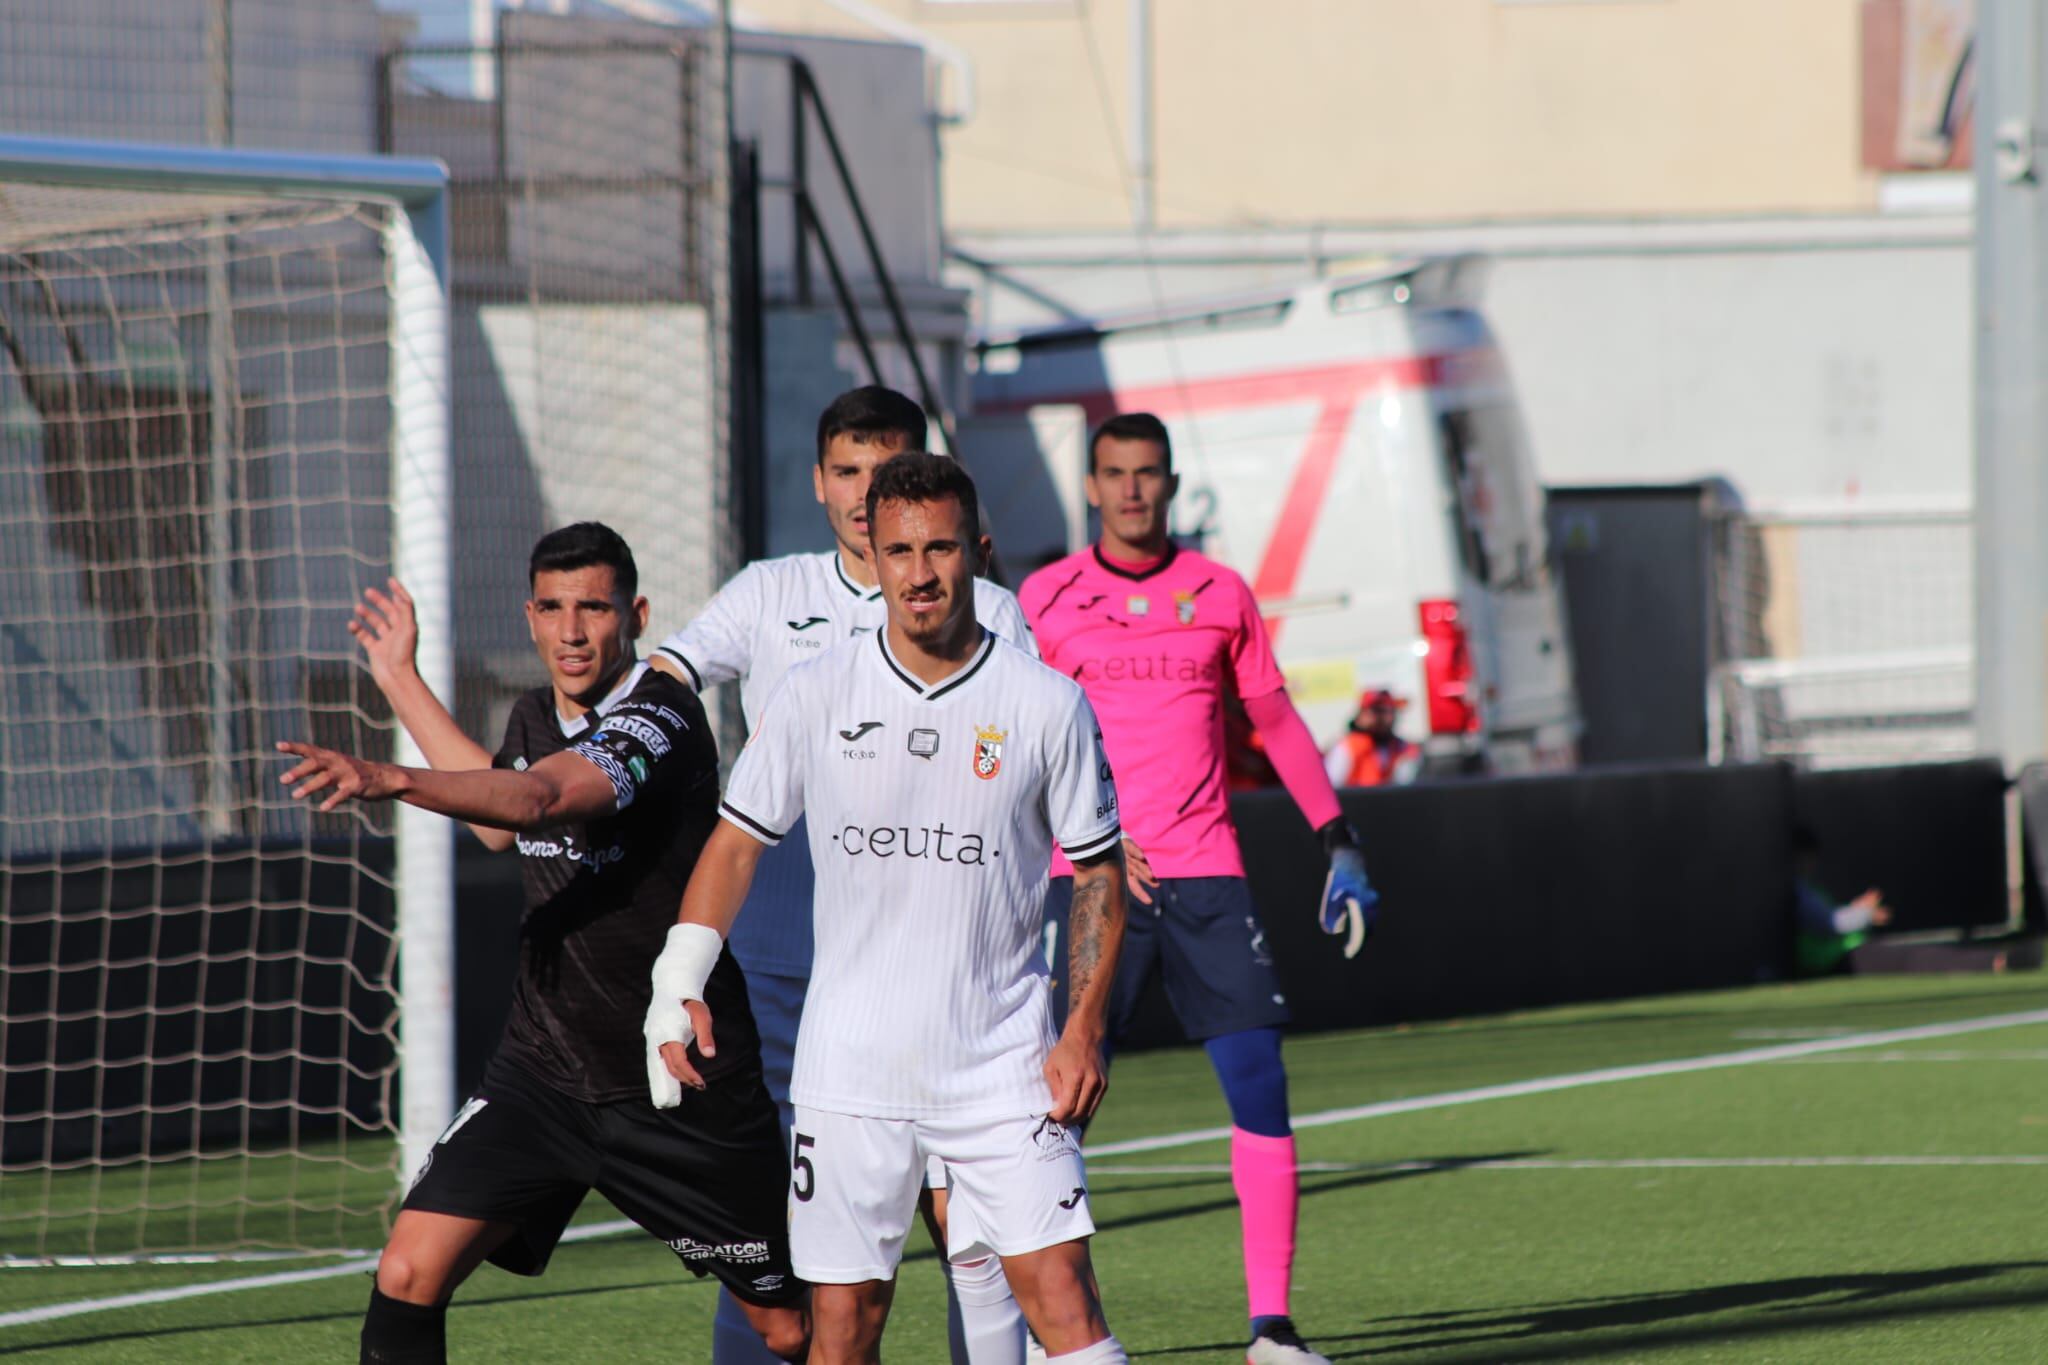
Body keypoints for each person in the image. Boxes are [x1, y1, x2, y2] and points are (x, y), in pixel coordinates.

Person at [275, 524, 807, 1365]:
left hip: (674, 1075)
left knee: (791, 1328)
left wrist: (390, 775)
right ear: (529, 615)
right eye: (553, 607)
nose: (571, 630)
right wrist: (399, 678)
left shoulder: (665, 714)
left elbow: (534, 801)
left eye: (593, 607)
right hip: (543, 1075)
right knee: (408, 1269)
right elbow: (500, 826)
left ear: (633, 612)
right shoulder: (531, 712)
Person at [646, 453, 1131, 1365]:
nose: (920, 572)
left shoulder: (1046, 702)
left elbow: (1099, 872)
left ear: (973, 551)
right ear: (871, 546)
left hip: (1003, 1063)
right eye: (900, 548)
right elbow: (736, 844)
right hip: (850, 1070)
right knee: (844, 1330)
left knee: (1065, 1301)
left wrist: (1082, 1027)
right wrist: (679, 980)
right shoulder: (815, 691)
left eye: (941, 547)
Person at [1018, 413, 1379, 1365]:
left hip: (1208, 872)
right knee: (1055, 1100)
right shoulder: (1045, 597)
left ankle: (1272, 1328)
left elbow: (1276, 717)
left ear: (1171, 484)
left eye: (1148, 474)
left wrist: (1337, 838)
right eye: (1115, 474)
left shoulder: (1220, 593)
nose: (1132, 490)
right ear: (1090, 487)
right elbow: (1014, 739)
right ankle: (1041, 1327)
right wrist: (1081, 840)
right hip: (1090, 879)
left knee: (1260, 1079)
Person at [1325, 688, 1423, 788]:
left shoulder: (1402, 747)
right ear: (1362, 715)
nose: (1386, 717)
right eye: (1378, 711)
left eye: (1391, 711)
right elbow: (1332, 788)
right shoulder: (1347, 747)